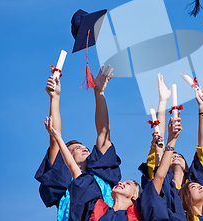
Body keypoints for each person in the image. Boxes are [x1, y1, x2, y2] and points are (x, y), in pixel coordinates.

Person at [35, 65, 121, 220]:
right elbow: (55, 138)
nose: (84, 148)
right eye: (76, 148)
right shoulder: (62, 182)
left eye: (85, 147)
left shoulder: (102, 173)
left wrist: (99, 93)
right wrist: (54, 98)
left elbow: (104, 133)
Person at [44, 116, 141, 221]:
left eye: (128, 184)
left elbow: (103, 133)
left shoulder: (138, 214)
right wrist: (58, 138)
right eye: (77, 148)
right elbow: (72, 167)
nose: (120, 183)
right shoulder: (97, 207)